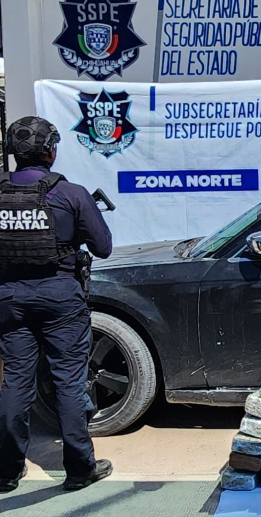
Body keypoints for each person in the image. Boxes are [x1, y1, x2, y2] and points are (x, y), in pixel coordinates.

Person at [0, 116, 113, 492]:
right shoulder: (70, 194)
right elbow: (103, 247)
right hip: (60, 298)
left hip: (10, 298)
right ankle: (79, 469)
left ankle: (6, 470)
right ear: (50, 151)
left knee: (16, 381)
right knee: (68, 383)